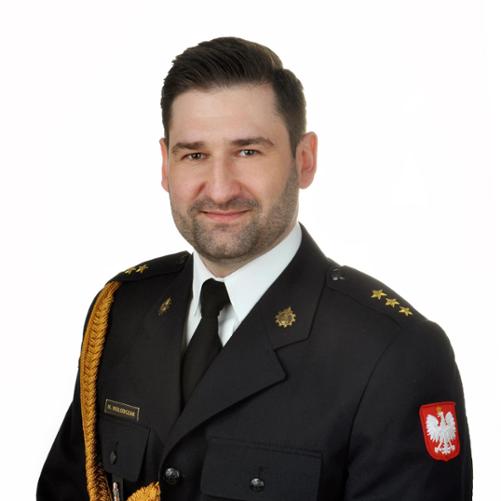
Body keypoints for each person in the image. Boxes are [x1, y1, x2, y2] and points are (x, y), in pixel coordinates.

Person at [37, 36, 472, 501]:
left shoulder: (393, 355)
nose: (220, 189)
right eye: (194, 154)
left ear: (304, 160)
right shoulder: (123, 311)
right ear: (165, 165)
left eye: (248, 152)